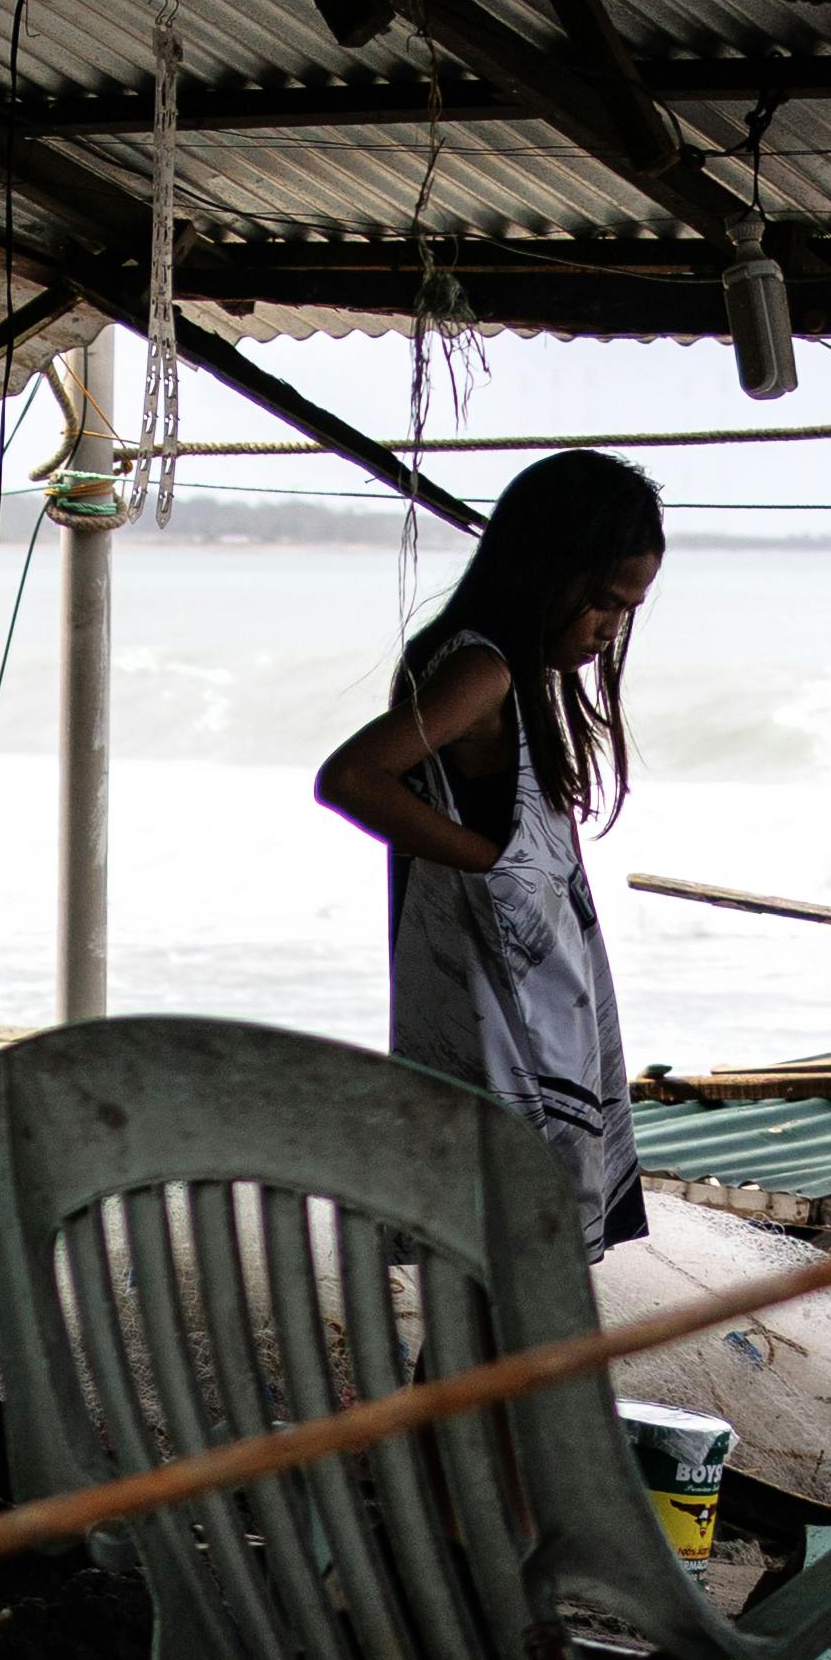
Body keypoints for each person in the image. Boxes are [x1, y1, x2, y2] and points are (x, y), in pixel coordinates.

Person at [312, 446, 660, 1248]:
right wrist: (490, 862)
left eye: (627, 613)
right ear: (548, 570)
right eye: (603, 604)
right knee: (513, 1265)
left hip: (525, 1002)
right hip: (506, 1021)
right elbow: (353, 778)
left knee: (488, 1275)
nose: (610, 632)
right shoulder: (483, 671)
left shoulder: (505, 667)